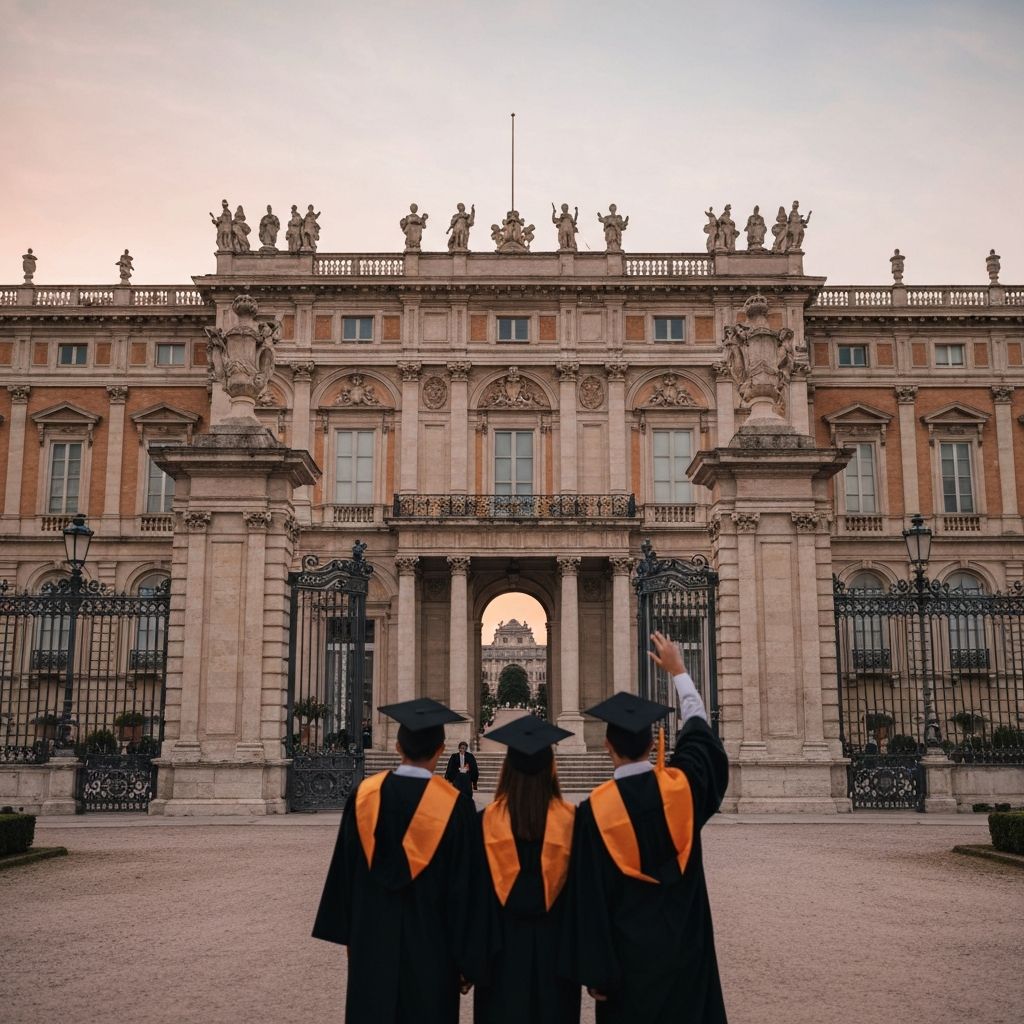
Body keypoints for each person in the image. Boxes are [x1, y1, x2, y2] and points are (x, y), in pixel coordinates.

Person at [562, 632, 730, 1023]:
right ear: (654, 747)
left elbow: (589, 900)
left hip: (627, 967)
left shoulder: (593, 813)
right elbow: (702, 738)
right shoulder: (683, 791)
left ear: (607, 746)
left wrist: (596, 971)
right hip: (686, 957)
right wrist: (679, 672)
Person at [313, 698, 493, 1023]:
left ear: (397, 747)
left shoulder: (364, 796)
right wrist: (468, 962)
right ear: (441, 750)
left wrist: (353, 938)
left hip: (372, 947)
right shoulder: (456, 807)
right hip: (433, 954)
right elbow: (466, 891)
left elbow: (345, 875)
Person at [474, 716, 581, 1024]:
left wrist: (469, 965)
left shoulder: (483, 823)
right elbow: (586, 899)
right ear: (552, 768)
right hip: (558, 963)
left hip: (499, 964)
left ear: (507, 768)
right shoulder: (574, 822)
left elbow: (471, 900)